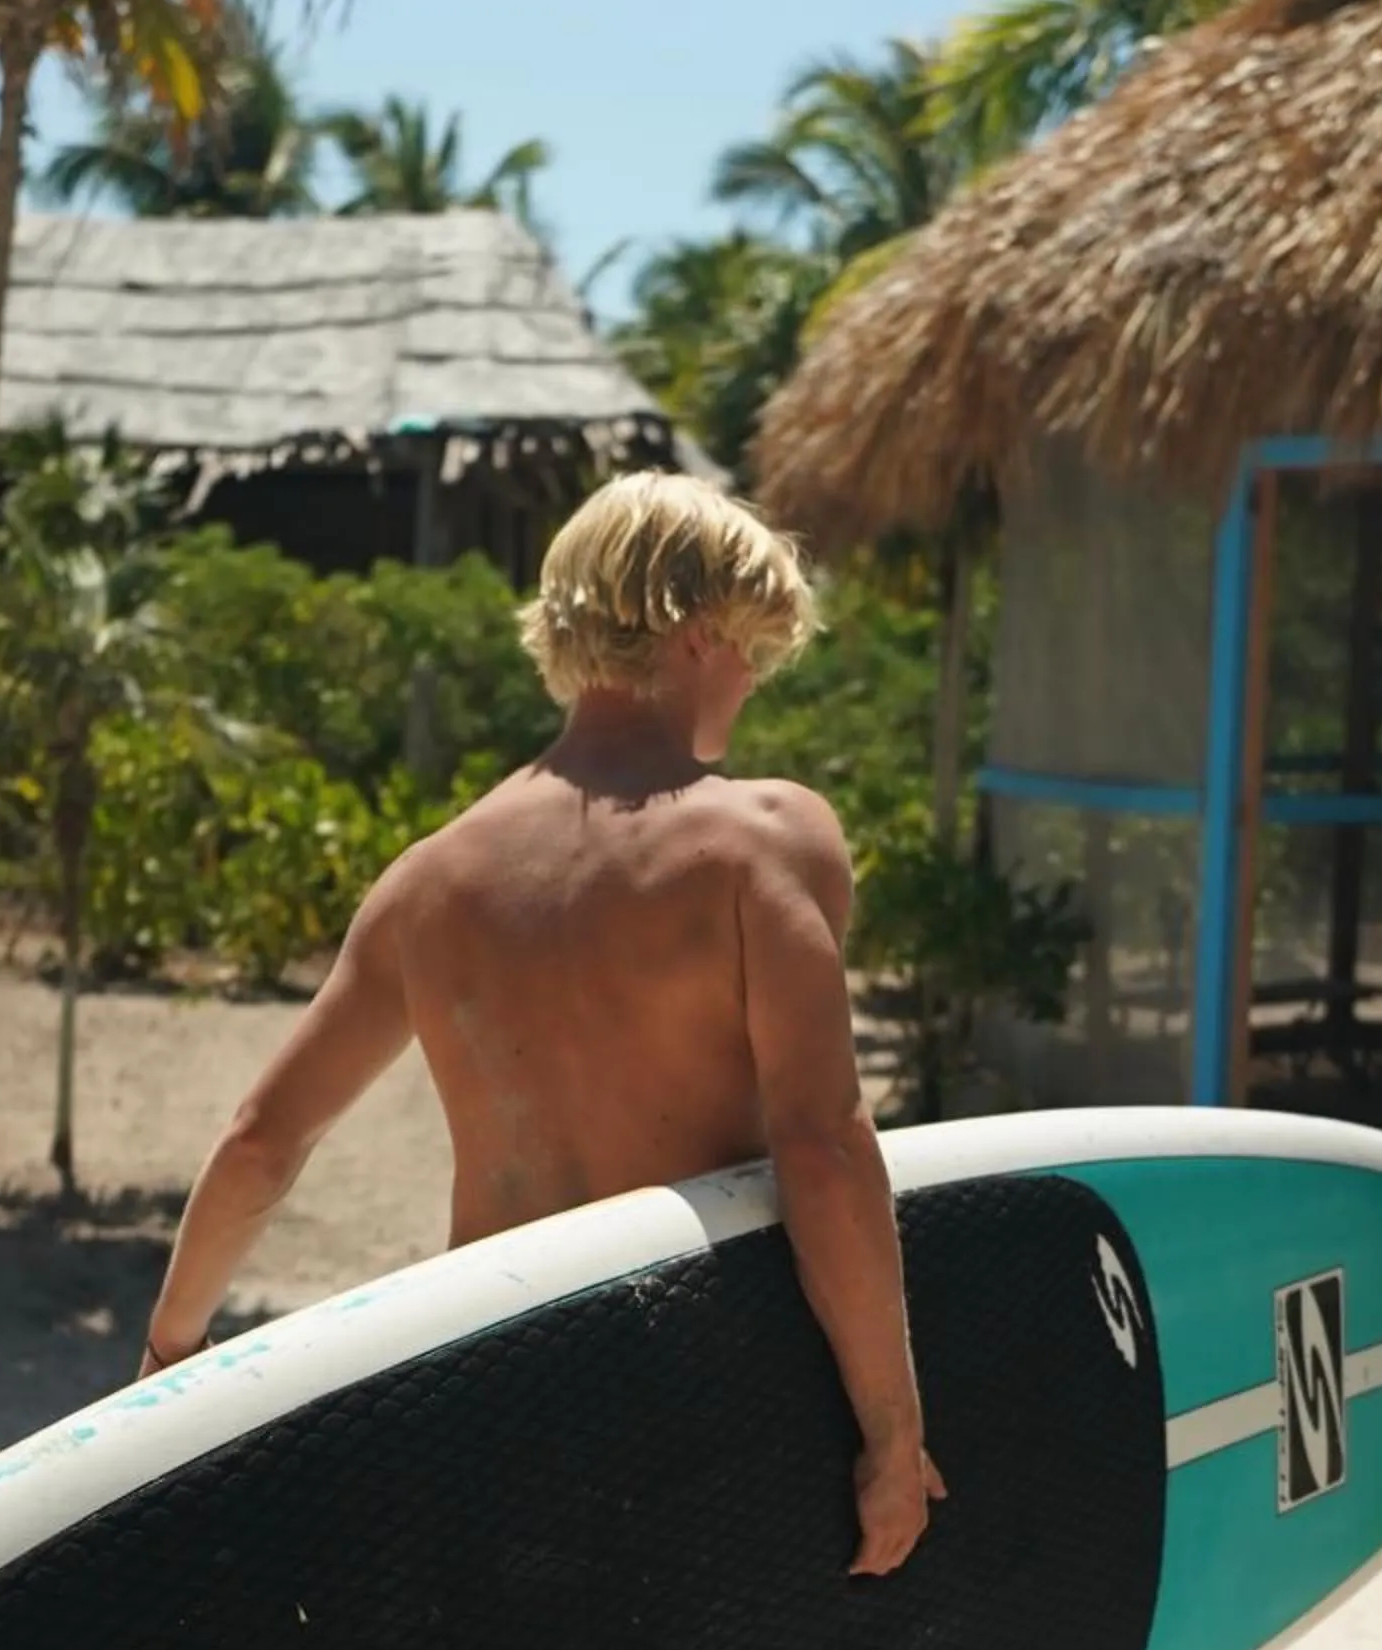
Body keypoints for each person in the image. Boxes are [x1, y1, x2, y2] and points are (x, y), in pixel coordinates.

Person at [135, 470, 945, 1577]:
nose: (755, 676)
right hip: (700, 1380)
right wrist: (893, 1433)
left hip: (494, 1392)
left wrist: (169, 1349)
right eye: (752, 646)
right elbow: (823, 1147)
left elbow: (263, 1140)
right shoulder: (765, 845)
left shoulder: (430, 881)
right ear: (697, 632)